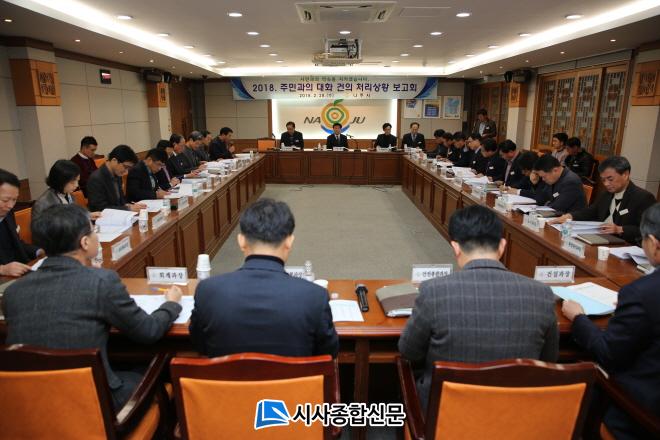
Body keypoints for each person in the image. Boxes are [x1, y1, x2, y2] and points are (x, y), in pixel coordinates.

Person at [2, 204, 182, 410]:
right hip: (93, 401)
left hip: (32, 404)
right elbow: (149, 331)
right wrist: (171, 304)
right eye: (94, 231)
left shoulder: (13, 292)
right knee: (162, 366)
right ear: (85, 242)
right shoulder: (101, 281)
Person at [399, 205, 558, 408]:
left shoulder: (434, 291)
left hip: (446, 413)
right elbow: (549, 360)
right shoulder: (542, 293)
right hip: (516, 413)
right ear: (502, 246)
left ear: (455, 247)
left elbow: (408, 351)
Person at [189, 198, 339, 358]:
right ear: (289, 242)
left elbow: (199, 345)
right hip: (290, 376)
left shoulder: (207, 291)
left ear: (241, 241)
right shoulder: (315, 296)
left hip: (226, 375)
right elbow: (329, 353)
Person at [562, 202, 660, 440]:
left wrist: (579, 318)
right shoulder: (642, 296)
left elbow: (608, 353)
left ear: (654, 244)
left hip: (639, 415)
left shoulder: (642, 293)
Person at [550, 156, 656, 244]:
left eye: (610, 179)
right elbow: (592, 211)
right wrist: (570, 216)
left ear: (625, 175)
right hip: (600, 239)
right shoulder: (606, 194)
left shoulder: (643, 198)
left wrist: (620, 229)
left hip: (624, 244)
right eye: (603, 180)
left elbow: (649, 231)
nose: (606, 184)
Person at [0, 169, 43, 277]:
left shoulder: (8, 213)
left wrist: (38, 251)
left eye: (14, 200)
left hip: (20, 271)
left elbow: (16, 243)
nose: (10, 206)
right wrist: (2, 269)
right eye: (5, 200)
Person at [33, 160, 101, 220]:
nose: (76, 185)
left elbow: (73, 215)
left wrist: (87, 215)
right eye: (72, 182)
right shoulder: (43, 204)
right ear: (60, 181)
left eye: (78, 181)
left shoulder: (67, 193)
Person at [87, 145, 146, 212]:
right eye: (125, 167)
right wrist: (127, 209)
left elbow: (120, 201)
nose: (126, 172)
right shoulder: (96, 179)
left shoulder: (117, 174)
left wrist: (128, 205)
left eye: (129, 169)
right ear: (114, 160)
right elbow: (100, 208)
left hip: (118, 215)